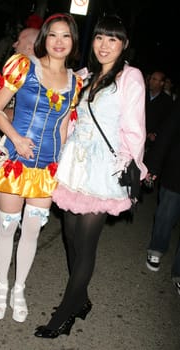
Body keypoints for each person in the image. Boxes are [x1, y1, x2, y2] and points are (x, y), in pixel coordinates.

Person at [34, 14, 147, 339]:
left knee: (85, 245)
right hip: (74, 164)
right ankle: (81, 299)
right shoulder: (83, 75)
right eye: (99, 37)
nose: (104, 45)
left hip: (103, 169)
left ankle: (65, 314)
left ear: (123, 44)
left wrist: (129, 163)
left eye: (113, 39)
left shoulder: (131, 77)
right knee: (69, 237)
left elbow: (135, 129)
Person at [0, 13, 82, 322]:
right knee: (7, 227)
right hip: (14, 160)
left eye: (66, 36)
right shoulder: (23, 66)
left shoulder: (75, 81)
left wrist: (61, 164)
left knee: (32, 232)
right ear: (44, 40)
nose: (59, 42)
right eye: (53, 35)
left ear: (73, 42)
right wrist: (16, 138)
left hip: (46, 168)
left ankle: (19, 288)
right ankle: (1, 286)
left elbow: (64, 125)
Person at [0, 27, 40, 271]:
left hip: (15, 148)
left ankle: (10, 238)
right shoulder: (17, 66)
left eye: (19, 40)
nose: (14, 44)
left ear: (32, 45)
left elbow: (25, 114)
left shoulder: (34, 73)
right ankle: (10, 231)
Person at [144, 97, 180, 294]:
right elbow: (167, 133)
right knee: (166, 214)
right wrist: (154, 165)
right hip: (177, 172)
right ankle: (156, 248)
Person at [144, 70, 173, 157]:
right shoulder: (142, 94)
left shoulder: (167, 101)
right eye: (151, 79)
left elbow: (167, 121)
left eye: (154, 79)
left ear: (161, 83)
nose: (151, 81)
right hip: (136, 133)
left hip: (150, 141)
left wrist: (155, 133)